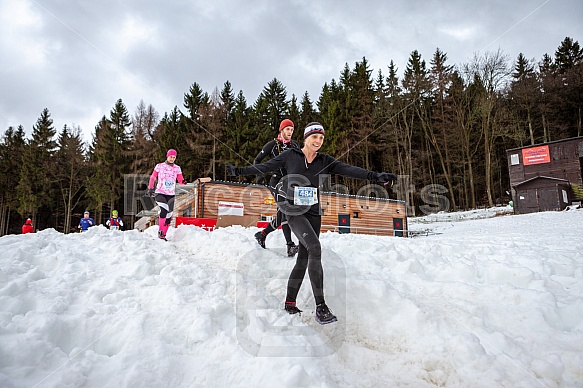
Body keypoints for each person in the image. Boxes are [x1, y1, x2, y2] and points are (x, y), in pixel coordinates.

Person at [227, 122, 397, 324]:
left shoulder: (325, 160)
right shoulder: (290, 155)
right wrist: (238, 171)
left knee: (304, 257)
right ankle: (321, 307)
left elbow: (350, 170)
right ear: (306, 138)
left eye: (321, 138)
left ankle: (290, 302)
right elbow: (264, 166)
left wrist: (376, 176)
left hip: (314, 212)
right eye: (314, 137)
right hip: (293, 210)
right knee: (315, 248)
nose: (318, 141)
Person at [253, 118, 300, 256]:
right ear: (281, 130)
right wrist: (259, 176)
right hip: (276, 181)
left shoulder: (295, 146)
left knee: (283, 213)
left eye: (292, 129)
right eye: (287, 129)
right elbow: (257, 160)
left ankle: (262, 234)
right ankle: (290, 246)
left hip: (289, 183)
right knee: (285, 210)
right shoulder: (272, 145)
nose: (290, 132)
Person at [147, 149, 187, 240]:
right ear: (167, 156)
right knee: (164, 210)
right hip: (160, 192)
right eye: (171, 157)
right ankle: (160, 231)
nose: (172, 159)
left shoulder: (177, 168)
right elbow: (153, 177)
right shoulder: (159, 166)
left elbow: (180, 180)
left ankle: (163, 235)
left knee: (169, 215)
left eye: (174, 157)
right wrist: (150, 188)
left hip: (171, 194)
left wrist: (183, 182)